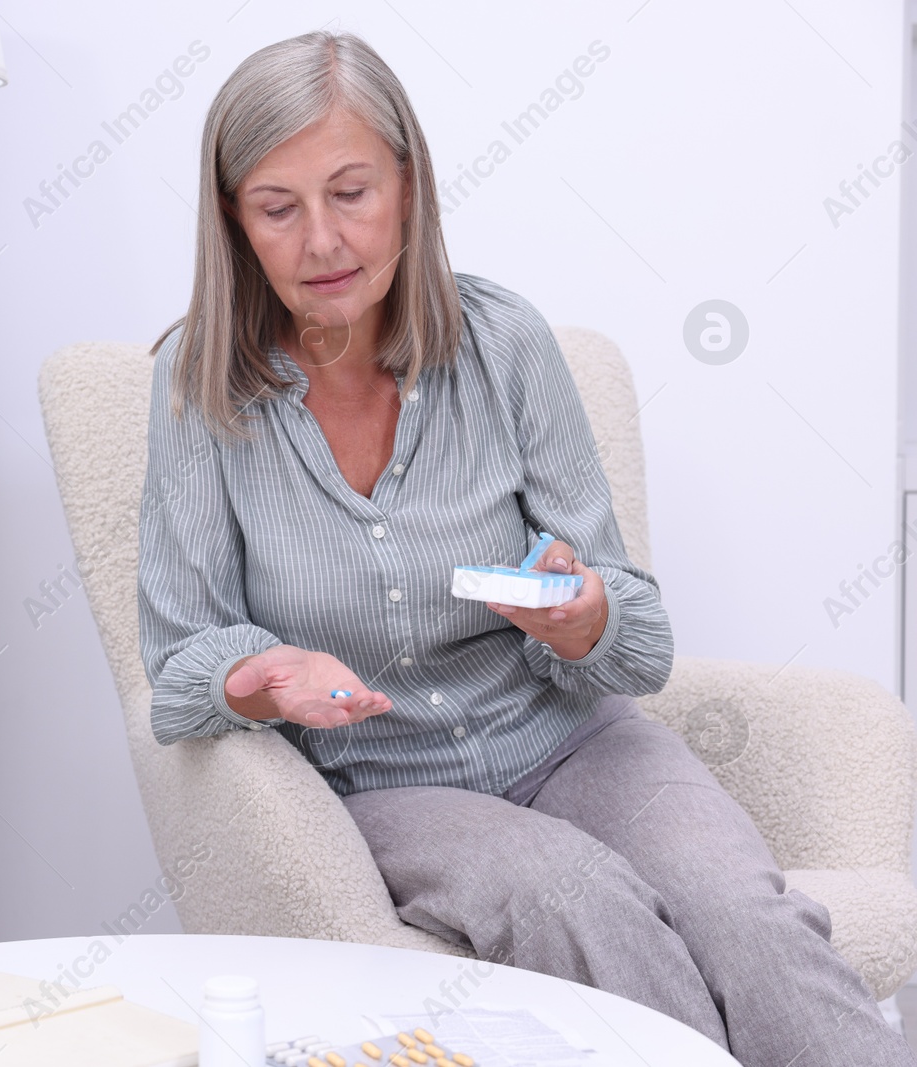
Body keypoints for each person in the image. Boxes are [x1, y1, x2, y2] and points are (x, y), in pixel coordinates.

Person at [136, 29, 915, 1067]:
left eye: (352, 193)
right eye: (278, 207)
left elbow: (638, 643)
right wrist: (263, 675)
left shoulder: (507, 346)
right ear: (234, 220)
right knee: (578, 902)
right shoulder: (198, 387)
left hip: (578, 739)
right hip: (387, 781)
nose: (321, 239)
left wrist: (585, 616)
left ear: (408, 189)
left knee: (745, 918)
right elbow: (179, 665)